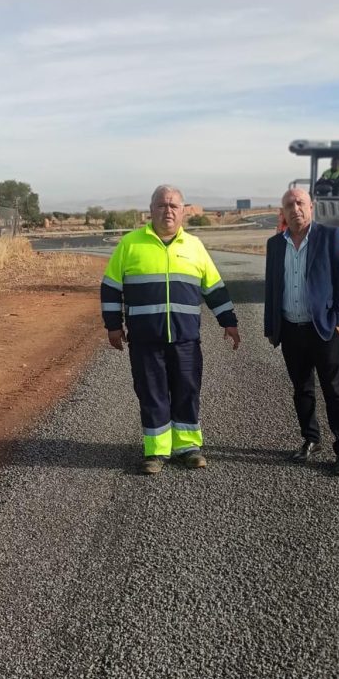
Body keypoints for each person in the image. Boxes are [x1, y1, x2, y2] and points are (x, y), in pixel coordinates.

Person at [101, 186, 240, 475]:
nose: (168, 211)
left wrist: (228, 321)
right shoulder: (130, 244)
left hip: (185, 339)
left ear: (183, 212)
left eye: (174, 206)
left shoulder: (194, 246)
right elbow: (111, 287)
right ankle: (156, 451)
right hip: (145, 340)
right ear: (150, 211)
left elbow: (213, 287)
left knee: (187, 390)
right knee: (151, 393)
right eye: (162, 205)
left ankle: (188, 447)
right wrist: (113, 326)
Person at [264, 187, 339, 476]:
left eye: (300, 203)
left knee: (334, 390)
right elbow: (272, 288)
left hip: (323, 329)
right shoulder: (275, 244)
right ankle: (311, 439)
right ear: (283, 212)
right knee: (302, 389)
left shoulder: (329, 237)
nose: (295, 209)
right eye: (289, 204)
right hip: (291, 330)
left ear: (311, 207)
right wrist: (271, 326)